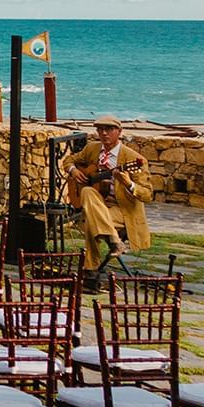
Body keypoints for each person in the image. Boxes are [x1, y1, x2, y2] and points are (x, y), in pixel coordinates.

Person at [58, 115, 152, 289]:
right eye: (100, 130)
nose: (104, 133)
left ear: (119, 132)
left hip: (123, 209)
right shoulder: (92, 149)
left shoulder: (133, 159)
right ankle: (113, 241)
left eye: (108, 129)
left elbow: (147, 194)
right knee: (86, 190)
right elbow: (69, 160)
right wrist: (73, 171)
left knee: (91, 223)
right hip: (99, 204)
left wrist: (128, 183)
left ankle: (91, 272)